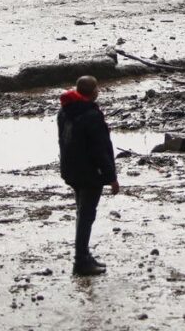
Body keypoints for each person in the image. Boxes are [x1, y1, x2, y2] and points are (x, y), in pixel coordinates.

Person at [57, 75, 118, 277]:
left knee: (81, 212)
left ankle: (83, 256)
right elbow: (100, 150)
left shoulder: (64, 112)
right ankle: (81, 260)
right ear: (93, 92)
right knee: (86, 216)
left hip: (71, 170)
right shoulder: (91, 116)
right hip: (90, 174)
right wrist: (111, 177)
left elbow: (64, 142)